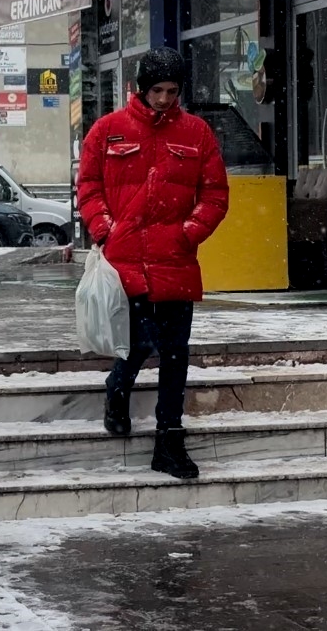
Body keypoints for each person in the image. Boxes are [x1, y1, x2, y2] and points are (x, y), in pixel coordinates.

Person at [76, 46, 229, 480]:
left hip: (175, 260)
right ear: (141, 88)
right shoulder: (107, 131)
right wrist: (105, 229)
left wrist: (188, 233)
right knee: (138, 343)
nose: (164, 99)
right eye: (157, 90)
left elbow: (215, 195)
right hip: (125, 262)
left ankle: (169, 438)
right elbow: (88, 186)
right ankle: (117, 389)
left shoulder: (196, 133)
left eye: (172, 90)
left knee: (176, 354)